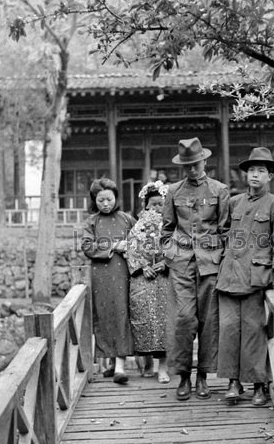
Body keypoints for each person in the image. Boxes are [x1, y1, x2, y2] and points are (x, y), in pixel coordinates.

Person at [216, 147, 274, 406]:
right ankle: (233, 382)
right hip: (228, 277)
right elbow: (221, 232)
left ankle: (259, 384)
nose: (255, 175)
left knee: (254, 332)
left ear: (270, 176)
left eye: (261, 171)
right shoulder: (234, 202)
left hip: (256, 278)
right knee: (227, 330)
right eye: (251, 170)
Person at [161, 137, 230, 401]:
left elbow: (225, 230)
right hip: (181, 264)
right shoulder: (173, 192)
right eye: (187, 165)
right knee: (183, 320)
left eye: (195, 164)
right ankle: (183, 376)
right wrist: (170, 252)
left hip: (211, 264)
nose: (191, 170)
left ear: (204, 161)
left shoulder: (219, 190)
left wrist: (220, 257)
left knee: (209, 321)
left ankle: (203, 376)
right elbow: (166, 228)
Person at [81, 178, 136, 384]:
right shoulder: (91, 222)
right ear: (94, 201)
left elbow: (142, 242)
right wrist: (113, 246)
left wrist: (130, 247)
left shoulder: (127, 219)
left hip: (124, 273)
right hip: (101, 275)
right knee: (105, 314)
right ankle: (112, 362)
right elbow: (87, 246)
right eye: (101, 200)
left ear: (116, 198)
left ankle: (120, 366)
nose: (106, 204)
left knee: (122, 313)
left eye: (109, 199)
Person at [126, 180, 170, 384]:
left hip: (165, 280)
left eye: (160, 204)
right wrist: (143, 266)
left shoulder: (171, 227)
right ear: (145, 206)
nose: (156, 209)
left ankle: (164, 366)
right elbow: (131, 250)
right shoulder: (137, 228)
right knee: (143, 319)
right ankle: (146, 364)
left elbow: (178, 248)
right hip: (143, 279)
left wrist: (166, 262)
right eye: (153, 204)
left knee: (164, 322)